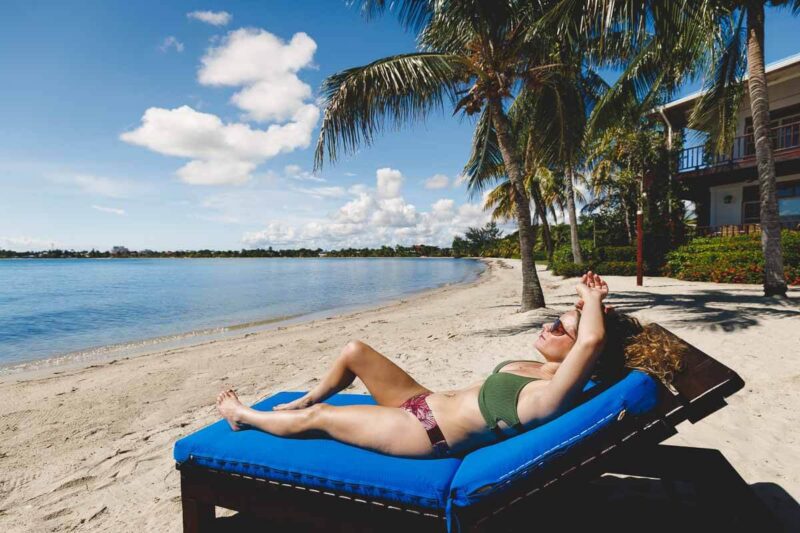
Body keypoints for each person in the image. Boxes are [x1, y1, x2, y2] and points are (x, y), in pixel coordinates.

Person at [216, 272, 684, 458]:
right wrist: (582, 309)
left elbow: (594, 340)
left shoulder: (552, 393)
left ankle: (243, 418)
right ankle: (303, 398)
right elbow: (589, 340)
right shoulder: (540, 372)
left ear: (585, 351)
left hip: (424, 435)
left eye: (562, 330)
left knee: (319, 421)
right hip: (420, 403)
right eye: (554, 321)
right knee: (355, 349)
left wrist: (592, 301)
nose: (550, 329)